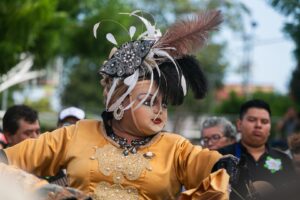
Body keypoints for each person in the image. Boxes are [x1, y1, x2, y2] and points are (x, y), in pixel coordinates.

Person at [0, 10, 234, 199]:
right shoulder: (76, 134)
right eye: (149, 101)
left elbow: (209, 167)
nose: (159, 111)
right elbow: (5, 162)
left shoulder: (176, 148)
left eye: (163, 104)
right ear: (119, 103)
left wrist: (224, 165)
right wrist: (46, 192)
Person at [218, 99, 296, 200]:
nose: (258, 125)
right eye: (252, 120)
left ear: (269, 128)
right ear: (239, 124)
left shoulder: (284, 160)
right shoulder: (222, 156)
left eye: (264, 121)